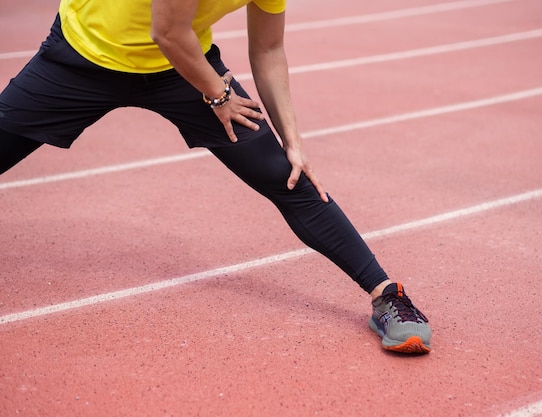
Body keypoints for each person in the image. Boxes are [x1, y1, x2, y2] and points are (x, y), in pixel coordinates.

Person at [0, 0, 432, 353]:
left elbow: (267, 49)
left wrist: (293, 140)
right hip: (87, 55)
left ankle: (386, 295)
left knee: (286, 174)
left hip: (182, 67)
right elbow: (166, 30)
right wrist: (219, 94)